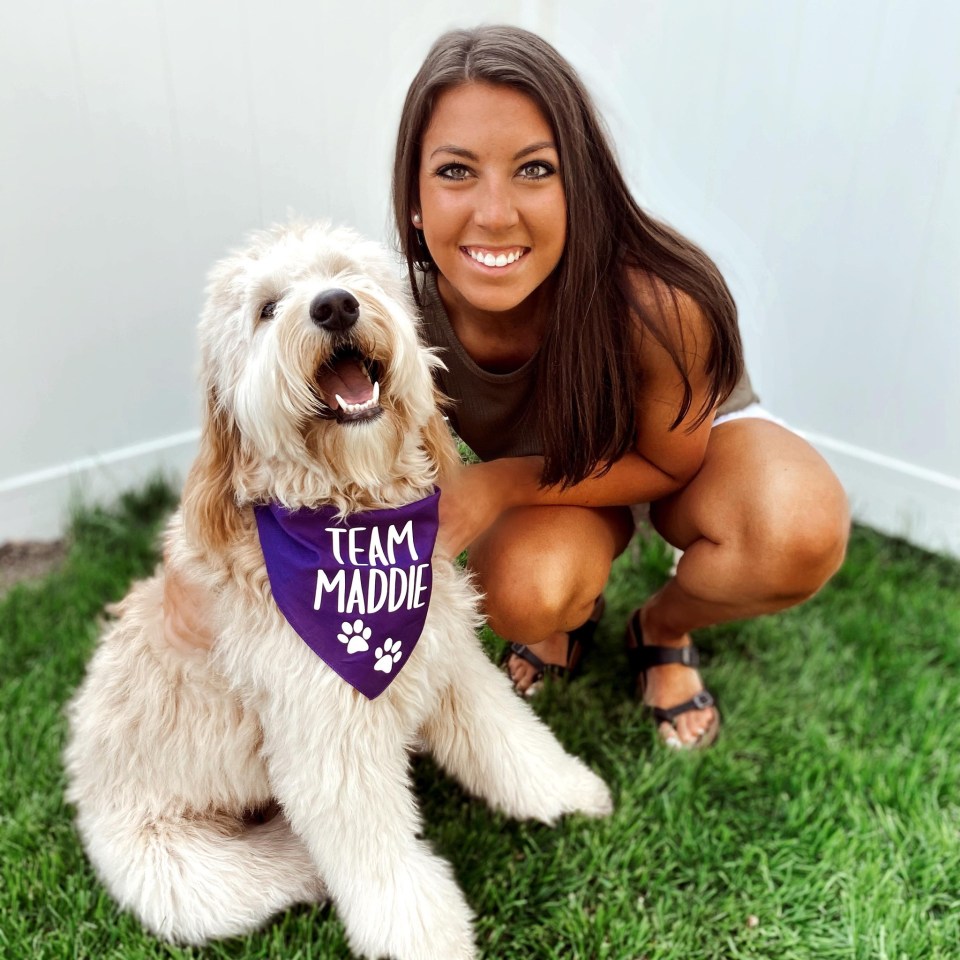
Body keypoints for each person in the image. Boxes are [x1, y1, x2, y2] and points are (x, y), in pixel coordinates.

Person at [164, 25, 850, 751]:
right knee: (528, 591)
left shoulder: (660, 302)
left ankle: (663, 626)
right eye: (457, 172)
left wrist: (496, 486)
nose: (495, 213)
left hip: (681, 450)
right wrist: (196, 563)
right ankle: (570, 614)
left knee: (796, 528)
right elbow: (266, 415)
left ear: (580, 184)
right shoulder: (390, 309)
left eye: (534, 170)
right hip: (565, 473)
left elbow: (668, 466)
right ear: (416, 198)